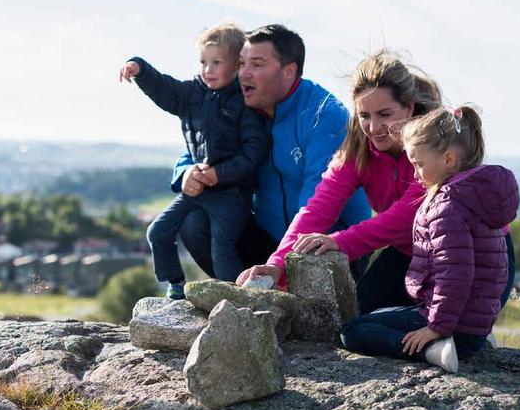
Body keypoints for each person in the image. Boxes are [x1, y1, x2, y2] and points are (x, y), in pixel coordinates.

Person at [235, 50, 439, 309]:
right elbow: (317, 208)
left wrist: (339, 241)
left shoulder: (435, 145)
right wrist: (277, 264)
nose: (374, 127)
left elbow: (406, 216)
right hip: (409, 253)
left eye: (385, 114)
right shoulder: (358, 149)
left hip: (463, 253)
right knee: (360, 321)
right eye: (365, 115)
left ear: (408, 108)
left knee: (435, 324)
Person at [175, 24, 371, 277]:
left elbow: (317, 205)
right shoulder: (238, 106)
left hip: (329, 244)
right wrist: (186, 171)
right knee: (194, 223)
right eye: (241, 63)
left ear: (289, 71)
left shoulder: (325, 115)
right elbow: (200, 147)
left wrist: (279, 263)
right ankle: (240, 305)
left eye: (256, 65)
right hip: (268, 240)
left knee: (311, 250)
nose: (244, 73)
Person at [339, 105, 519, 373]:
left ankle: (432, 350)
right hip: (471, 326)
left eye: (419, 164)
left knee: (351, 331)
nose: (414, 174)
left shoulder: (449, 206)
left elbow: (455, 274)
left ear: (447, 159)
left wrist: (436, 328)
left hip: (453, 327)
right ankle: (453, 342)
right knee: (375, 317)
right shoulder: (475, 197)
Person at [119, 23, 267, 298]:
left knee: (221, 248)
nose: (207, 69)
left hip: (231, 193)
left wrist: (219, 174)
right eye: (203, 62)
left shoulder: (244, 104)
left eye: (216, 62)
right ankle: (175, 286)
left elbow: (253, 154)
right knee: (158, 232)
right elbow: (165, 89)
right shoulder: (191, 95)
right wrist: (139, 68)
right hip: (198, 188)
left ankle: (234, 301)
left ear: (236, 65)